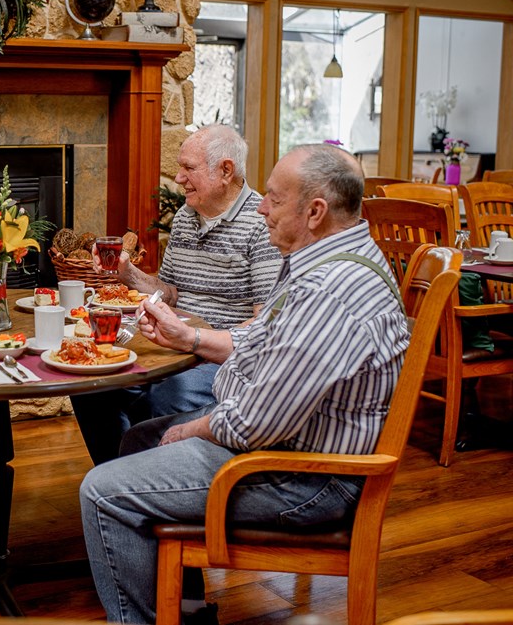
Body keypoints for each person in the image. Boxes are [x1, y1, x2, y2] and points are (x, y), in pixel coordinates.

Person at [80, 143, 411, 625]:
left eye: (274, 200)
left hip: (306, 478)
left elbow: (254, 424)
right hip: (294, 441)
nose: (260, 207)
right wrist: (188, 336)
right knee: (137, 438)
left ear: (314, 211)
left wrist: (191, 430)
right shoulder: (331, 259)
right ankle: (186, 605)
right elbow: (262, 336)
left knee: (101, 489)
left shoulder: (328, 291)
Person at [72, 124, 282, 464]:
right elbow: (168, 293)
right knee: (91, 387)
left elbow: (264, 323)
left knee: (162, 399)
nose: (179, 178)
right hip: (171, 342)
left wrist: (195, 337)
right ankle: (118, 475)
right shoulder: (187, 216)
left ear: (225, 170)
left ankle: (136, 478)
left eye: (189, 168)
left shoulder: (260, 225)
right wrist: (126, 271)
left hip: (218, 355)